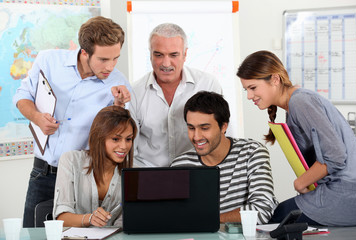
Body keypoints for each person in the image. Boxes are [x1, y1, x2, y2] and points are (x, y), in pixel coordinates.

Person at [12, 16, 131, 227]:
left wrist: (119, 106)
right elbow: (22, 96)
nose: (111, 66)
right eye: (103, 59)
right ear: (84, 52)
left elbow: (117, 133)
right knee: (33, 234)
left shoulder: (118, 82)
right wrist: (38, 118)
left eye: (115, 58)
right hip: (44, 172)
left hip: (84, 178)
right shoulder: (48, 61)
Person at [237, 50, 356, 226]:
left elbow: (336, 156)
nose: (249, 96)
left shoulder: (300, 101)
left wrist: (301, 182)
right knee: (279, 216)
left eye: (253, 88)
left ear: (275, 79)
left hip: (346, 192)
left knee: (277, 219)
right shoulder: (293, 105)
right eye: (246, 89)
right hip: (340, 189)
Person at [170, 91, 278, 224]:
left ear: (224, 126)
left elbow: (262, 211)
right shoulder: (180, 166)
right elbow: (177, 217)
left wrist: (208, 220)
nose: (196, 137)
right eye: (191, 128)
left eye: (204, 128)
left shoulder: (252, 152)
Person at [129, 23, 222, 167]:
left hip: (197, 173)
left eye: (174, 55)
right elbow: (129, 148)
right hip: (148, 176)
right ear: (150, 54)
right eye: (158, 55)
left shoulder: (208, 84)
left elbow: (222, 137)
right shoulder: (135, 92)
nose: (166, 63)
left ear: (185, 54)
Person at [53, 106, 137, 227]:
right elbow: (62, 218)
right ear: (99, 137)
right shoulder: (71, 160)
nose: (124, 146)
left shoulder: (133, 173)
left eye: (128, 139)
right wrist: (90, 218)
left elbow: (125, 224)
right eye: (115, 139)